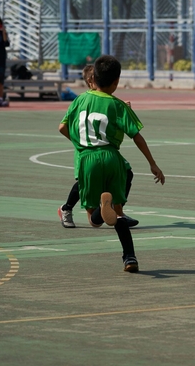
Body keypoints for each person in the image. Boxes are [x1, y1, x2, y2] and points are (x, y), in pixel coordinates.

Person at [58, 55, 165, 272]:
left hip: (88, 159)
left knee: (94, 220)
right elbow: (136, 135)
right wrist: (153, 164)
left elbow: (62, 127)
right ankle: (130, 258)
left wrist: (81, 144)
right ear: (116, 82)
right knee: (118, 212)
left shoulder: (79, 100)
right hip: (112, 158)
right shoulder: (118, 105)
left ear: (93, 78)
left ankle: (100, 209)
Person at [57, 65, 138, 229]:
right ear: (91, 80)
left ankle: (117, 211)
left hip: (103, 150)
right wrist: (79, 142)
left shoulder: (105, 99)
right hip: (87, 150)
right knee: (84, 182)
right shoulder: (82, 99)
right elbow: (62, 126)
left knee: (126, 172)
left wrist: (122, 107)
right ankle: (66, 209)